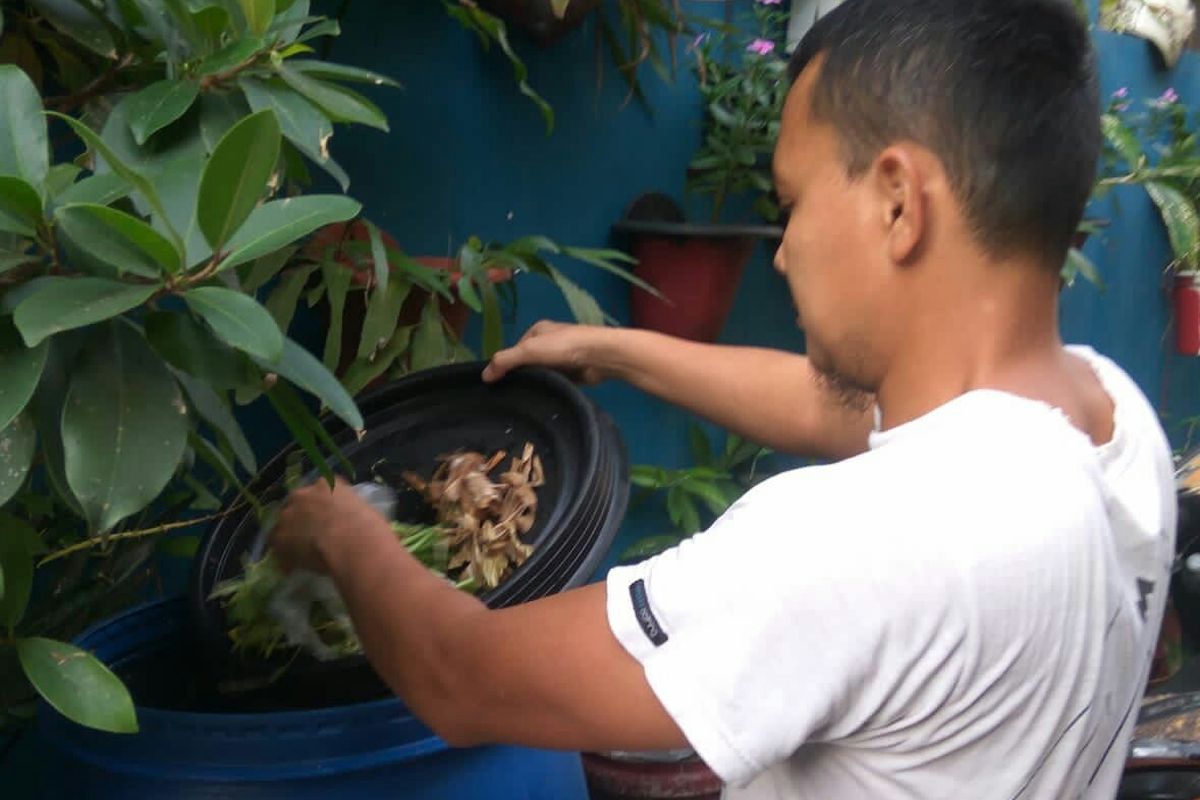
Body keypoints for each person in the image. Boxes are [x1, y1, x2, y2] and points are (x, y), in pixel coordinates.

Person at [270, 0, 1177, 796]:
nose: (781, 252)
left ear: (899, 202)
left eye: (791, 202)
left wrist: (349, 535)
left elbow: (462, 679)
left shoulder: (860, 543)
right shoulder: (1108, 419)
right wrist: (615, 349)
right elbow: (839, 413)